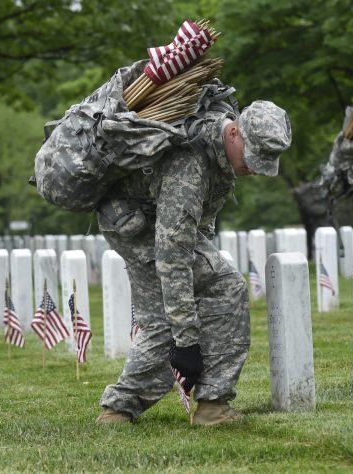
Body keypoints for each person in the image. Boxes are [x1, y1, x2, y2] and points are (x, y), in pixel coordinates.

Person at [95, 100, 292, 426]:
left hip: (133, 222)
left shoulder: (218, 149)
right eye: (252, 158)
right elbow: (173, 256)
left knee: (160, 319)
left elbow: (195, 227)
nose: (254, 169)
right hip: (138, 225)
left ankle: (119, 409)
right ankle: (213, 406)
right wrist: (187, 342)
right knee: (225, 286)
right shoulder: (190, 161)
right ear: (234, 133)